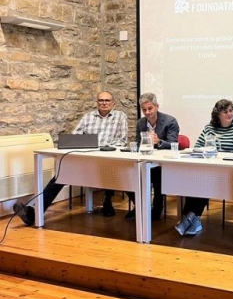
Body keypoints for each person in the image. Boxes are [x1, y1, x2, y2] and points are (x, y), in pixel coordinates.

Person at [13, 91, 128, 225]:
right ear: (97, 102)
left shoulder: (120, 116)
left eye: (107, 100)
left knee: (111, 170)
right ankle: (33, 213)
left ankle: (107, 200)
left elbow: (122, 141)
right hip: (86, 158)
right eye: (101, 100)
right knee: (60, 176)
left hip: (109, 158)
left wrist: (103, 147)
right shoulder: (88, 117)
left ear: (113, 103)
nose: (104, 103)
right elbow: (75, 136)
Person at [174, 99, 233, 236]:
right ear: (217, 114)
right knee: (196, 180)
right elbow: (198, 147)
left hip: (229, 171)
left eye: (231, 111)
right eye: (225, 112)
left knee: (206, 182)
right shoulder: (209, 128)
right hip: (210, 168)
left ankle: (188, 218)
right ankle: (193, 220)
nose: (229, 114)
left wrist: (224, 157)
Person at [126, 92, 180, 221]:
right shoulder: (141, 123)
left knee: (156, 175)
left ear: (157, 106)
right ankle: (141, 205)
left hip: (163, 163)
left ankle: (156, 209)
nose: (147, 112)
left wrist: (159, 142)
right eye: (144, 110)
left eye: (150, 108)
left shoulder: (170, 121)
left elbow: (174, 144)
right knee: (128, 174)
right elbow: (139, 142)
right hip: (145, 159)